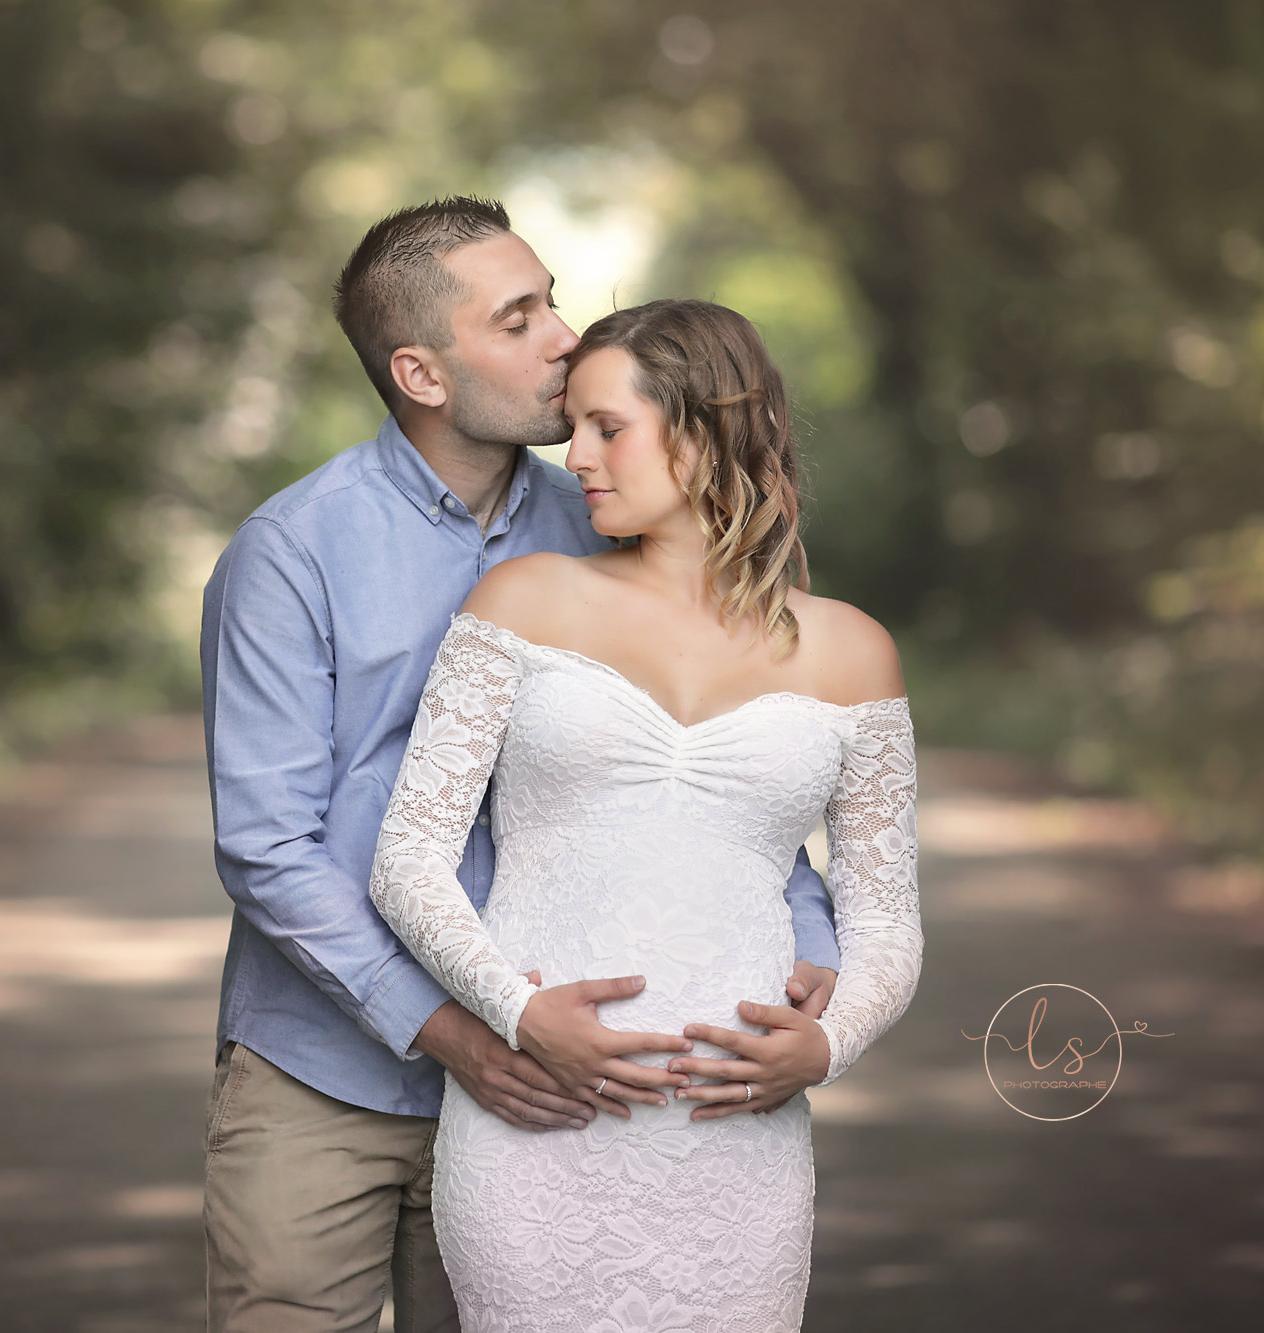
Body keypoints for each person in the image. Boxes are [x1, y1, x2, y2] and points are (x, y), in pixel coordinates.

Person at [199, 199, 845, 1331]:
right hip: (326, 1078)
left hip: (557, 1098)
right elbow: (266, 849)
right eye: (519, 318)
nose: (562, 336)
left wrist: (810, 937)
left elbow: (704, 754)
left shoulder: (606, 519)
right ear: (423, 372)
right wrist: (460, 1030)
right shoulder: (292, 552)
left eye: (550, 298)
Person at [368, 297, 924, 1330]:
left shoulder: (853, 652)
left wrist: (827, 1043)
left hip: (733, 1135)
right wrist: (518, 1013)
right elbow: (406, 857)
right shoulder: (522, 599)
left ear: (706, 427)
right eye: (570, 423)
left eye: (605, 426)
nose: (573, 453)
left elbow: (886, 920)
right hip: (534, 1120)